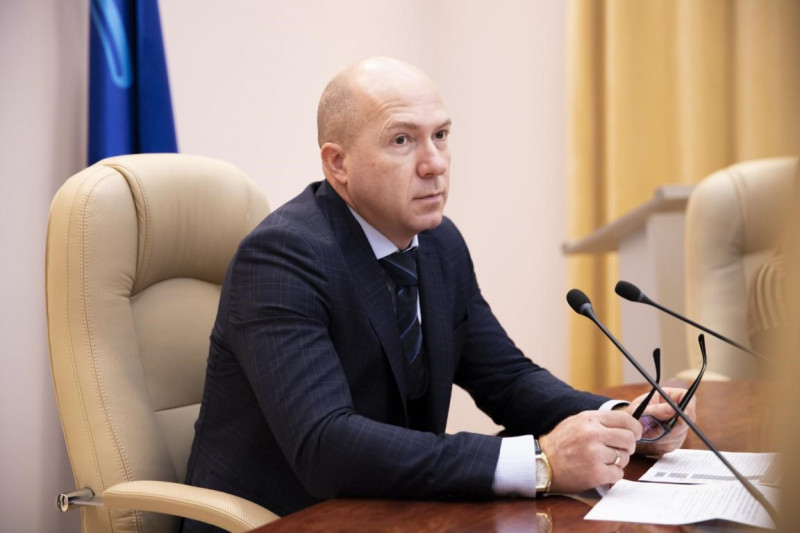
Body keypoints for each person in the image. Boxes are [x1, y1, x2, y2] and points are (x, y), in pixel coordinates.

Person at [182, 57, 695, 529]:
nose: (435, 164)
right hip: (283, 519)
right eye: (402, 140)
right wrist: (539, 462)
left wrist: (622, 420)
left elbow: (506, 379)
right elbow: (326, 444)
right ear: (338, 164)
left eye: (441, 135)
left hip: (390, 512)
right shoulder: (283, 257)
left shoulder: (438, 243)